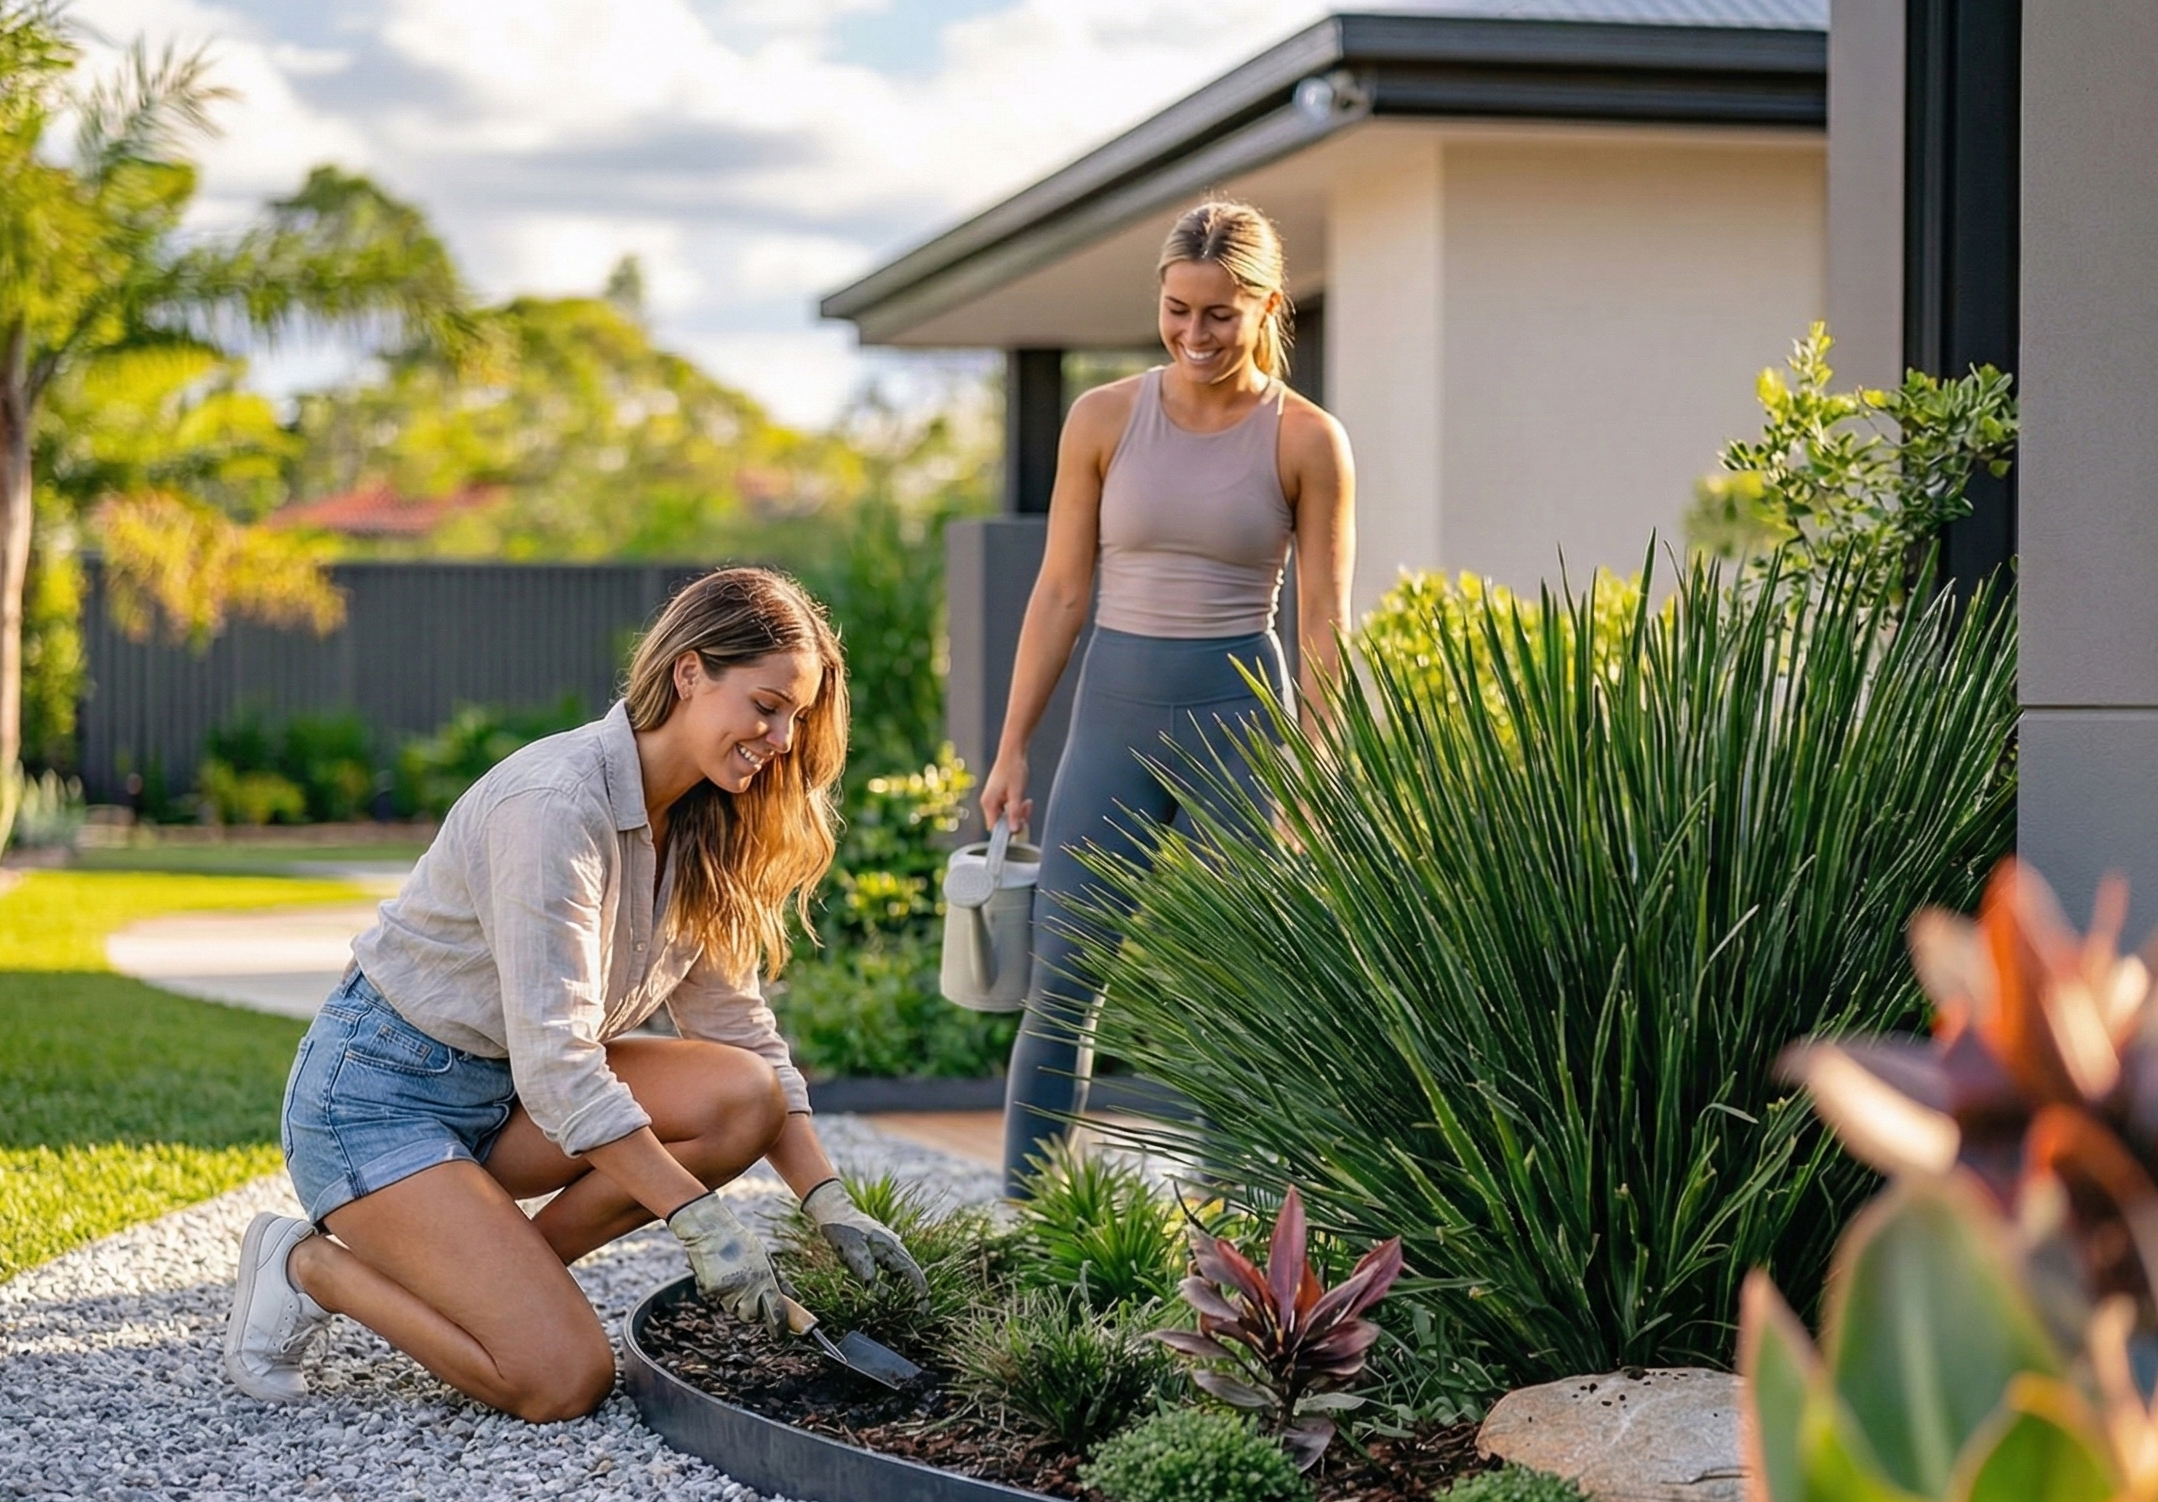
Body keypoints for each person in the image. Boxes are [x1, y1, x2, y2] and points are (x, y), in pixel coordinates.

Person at [223, 567, 925, 1421]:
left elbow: (739, 1034)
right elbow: (561, 1064)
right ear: (690, 672)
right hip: (380, 1100)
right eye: (767, 705)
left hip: (512, 1098)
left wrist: (830, 1203)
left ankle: (488, 1283)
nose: (781, 738)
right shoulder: (555, 805)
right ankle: (311, 1267)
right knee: (562, 1380)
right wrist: (698, 1221)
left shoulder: (705, 821)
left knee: (746, 1097)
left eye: (797, 718)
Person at [977, 201, 1356, 1197]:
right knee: (1064, 977)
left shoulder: (1308, 440)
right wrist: (1013, 744)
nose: (1195, 335)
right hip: (1114, 713)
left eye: (1220, 315)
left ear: (1267, 305)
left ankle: (1236, 1231)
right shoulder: (1102, 417)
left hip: (1241, 724)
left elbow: (1321, 627)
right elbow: (1061, 589)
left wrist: (1314, 772)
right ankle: (1032, 1224)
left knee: (1243, 984)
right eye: (1177, 310)